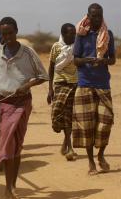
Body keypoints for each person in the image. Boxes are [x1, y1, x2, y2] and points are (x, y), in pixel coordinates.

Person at [0, 17, 48, 199]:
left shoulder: (28, 53)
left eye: (10, 33)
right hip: (3, 104)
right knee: (8, 146)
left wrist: (27, 86)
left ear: (16, 32)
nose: (7, 37)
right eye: (3, 34)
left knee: (16, 148)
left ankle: (12, 186)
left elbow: (42, 76)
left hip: (22, 104)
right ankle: (8, 189)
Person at [73, 3, 115, 176]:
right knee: (87, 126)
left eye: (99, 15)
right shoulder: (81, 35)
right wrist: (88, 60)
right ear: (88, 16)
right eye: (93, 16)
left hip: (103, 85)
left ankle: (101, 155)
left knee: (105, 123)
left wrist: (103, 61)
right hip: (84, 84)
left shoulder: (108, 35)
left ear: (102, 15)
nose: (96, 19)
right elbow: (76, 60)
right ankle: (90, 161)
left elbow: (112, 59)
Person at [47, 23, 78, 161]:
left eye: (74, 33)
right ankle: (66, 141)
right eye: (69, 33)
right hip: (60, 83)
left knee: (69, 115)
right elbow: (51, 67)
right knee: (57, 112)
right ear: (63, 34)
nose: (72, 35)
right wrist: (50, 89)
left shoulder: (77, 47)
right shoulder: (56, 47)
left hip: (74, 83)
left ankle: (69, 146)